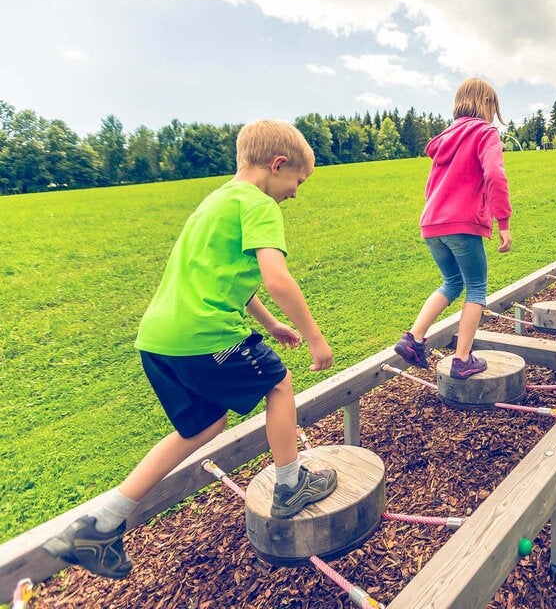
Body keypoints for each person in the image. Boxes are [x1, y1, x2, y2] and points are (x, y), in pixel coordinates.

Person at [43, 120, 338, 579]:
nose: (296, 193)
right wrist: (315, 337)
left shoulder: (214, 203)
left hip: (158, 342)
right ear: (277, 165)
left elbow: (223, 279)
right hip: (206, 338)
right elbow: (277, 278)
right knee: (279, 383)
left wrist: (271, 324)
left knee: (203, 425)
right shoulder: (258, 204)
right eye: (297, 182)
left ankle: (99, 525)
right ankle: (290, 485)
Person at [394, 78, 512, 379]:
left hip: (432, 223)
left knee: (451, 282)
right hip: (462, 224)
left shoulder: (444, 138)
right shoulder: (485, 133)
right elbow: (495, 176)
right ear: (486, 103)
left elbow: (430, 187)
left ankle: (413, 339)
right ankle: (462, 359)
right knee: (477, 288)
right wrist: (503, 222)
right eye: (492, 107)